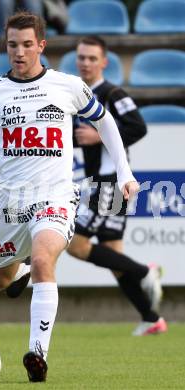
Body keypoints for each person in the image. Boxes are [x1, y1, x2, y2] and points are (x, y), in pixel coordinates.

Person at [0, 13, 139, 382]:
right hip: (10, 204)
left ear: (41, 46)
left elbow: (106, 122)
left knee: (46, 258)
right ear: (6, 45)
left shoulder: (68, 86)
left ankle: (37, 355)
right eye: (13, 44)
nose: (19, 52)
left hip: (56, 196)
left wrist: (125, 172)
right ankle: (24, 267)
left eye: (27, 44)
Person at [66, 36, 167, 336]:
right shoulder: (78, 94)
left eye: (92, 58)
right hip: (100, 182)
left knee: (76, 245)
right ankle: (151, 319)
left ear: (104, 62)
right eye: (81, 58)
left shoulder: (112, 92)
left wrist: (100, 136)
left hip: (110, 183)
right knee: (113, 255)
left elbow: (138, 126)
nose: (85, 63)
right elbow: (79, 137)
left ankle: (145, 271)